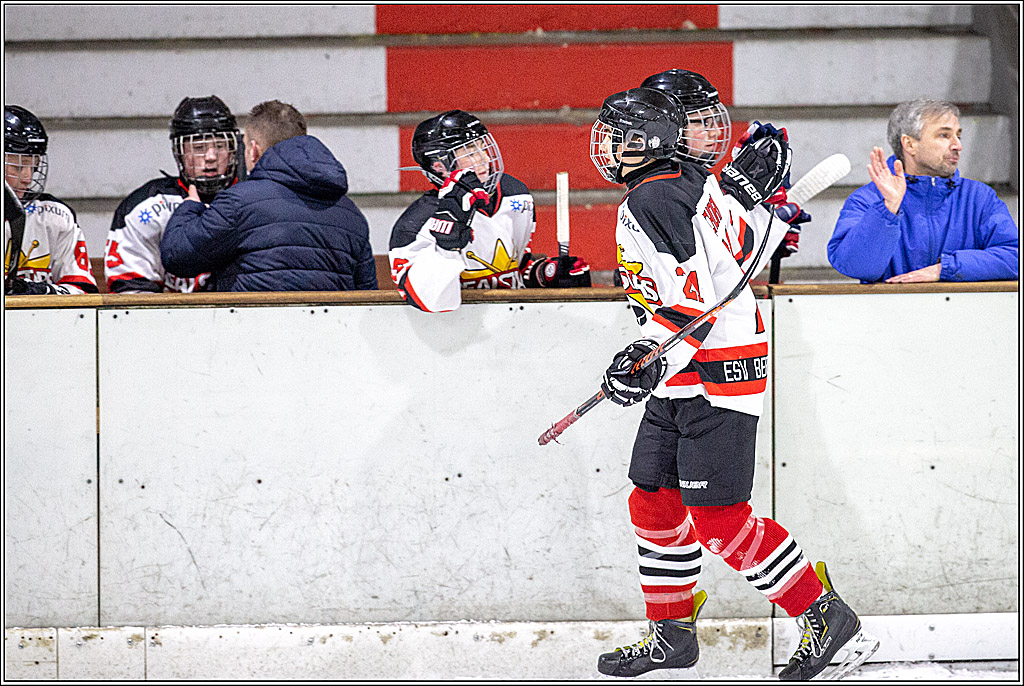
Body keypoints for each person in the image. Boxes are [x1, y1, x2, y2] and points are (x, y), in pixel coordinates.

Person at [587, 86, 879, 680]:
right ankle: (671, 634)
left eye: (615, 135)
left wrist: (646, 357)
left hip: (713, 374)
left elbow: (694, 304)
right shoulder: (693, 185)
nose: (607, 146)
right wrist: (764, 207)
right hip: (685, 372)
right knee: (653, 499)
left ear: (642, 144)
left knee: (717, 517)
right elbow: (745, 252)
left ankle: (825, 616)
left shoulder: (654, 199)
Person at [160, 100, 376, 291]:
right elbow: (367, 295)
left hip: (255, 331)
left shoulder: (238, 202)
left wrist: (190, 207)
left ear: (253, 150)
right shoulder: (352, 214)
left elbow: (177, 257)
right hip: (331, 333)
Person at [388, 110, 590, 312]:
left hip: (513, 324)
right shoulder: (414, 225)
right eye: (470, 151)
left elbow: (515, 268)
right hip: (453, 335)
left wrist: (544, 273)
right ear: (440, 166)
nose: (484, 158)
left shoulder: (515, 194)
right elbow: (425, 301)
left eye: (482, 147)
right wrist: (446, 247)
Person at [828, 98, 1018, 283]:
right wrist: (887, 210)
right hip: (890, 313)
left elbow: (1014, 257)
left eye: (958, 136)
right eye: (944, 135)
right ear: (910, 144)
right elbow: (855, 267)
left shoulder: (979, 198)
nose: (957, 146)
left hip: (962, 313)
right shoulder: (868, 199)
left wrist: (946, 268)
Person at [641, 69, 810, 272]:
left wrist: (766, 222)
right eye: (702, 122)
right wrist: (751, 204)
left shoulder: (695, 181)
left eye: (714, 121)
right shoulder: (660, 192)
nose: (715, 132)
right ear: (664, 129)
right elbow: (726, 271)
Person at [105, 95, 242, 293]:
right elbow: (132, 293)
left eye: (220, 146)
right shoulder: (147, 207)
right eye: (199, 148)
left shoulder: (253, 198)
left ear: (232, 150)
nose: (211, 157)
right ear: (180, 152)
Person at [4, 104, 97, 295]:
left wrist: (40, 291)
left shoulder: (55, 216)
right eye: (19, 167)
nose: (28, 178)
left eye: (34, 166)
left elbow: (82, 293)